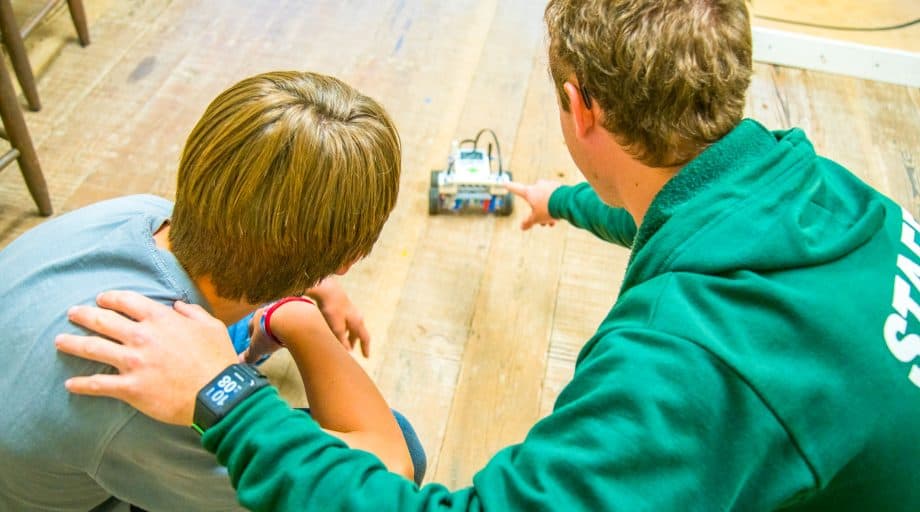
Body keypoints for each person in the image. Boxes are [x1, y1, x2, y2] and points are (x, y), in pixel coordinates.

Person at [55, 0, 920, 510]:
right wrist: (564, 200)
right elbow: (692, 204)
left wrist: (226, 396)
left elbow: (402, 473)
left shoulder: (689, 362)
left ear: (579, 108)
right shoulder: (834, 196)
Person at [0, 71, 424, 511]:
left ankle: (256, 327)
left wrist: (286, 304)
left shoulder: (141, 213)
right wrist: (300, 317)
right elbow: (390, 469)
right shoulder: (143, 394)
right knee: (400, 440)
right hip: (100, 452)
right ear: (347, 261)